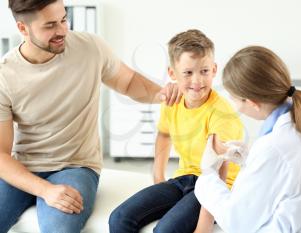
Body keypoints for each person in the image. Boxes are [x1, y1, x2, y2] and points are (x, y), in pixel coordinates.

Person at [0, 0, 181, 232]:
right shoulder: (5, 76)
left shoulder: (89, 47)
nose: (62, 30)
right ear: (23, 29)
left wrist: (163, 94)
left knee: (60, 229)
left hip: (76, 165)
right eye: (50, 25)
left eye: (64, 19)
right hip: (24, 166)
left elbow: (128, 82)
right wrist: (45, 190)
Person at [194, 46, 301, 233]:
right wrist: (247, 158)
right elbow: (291, 178)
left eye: (235, 100)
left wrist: (208, 175)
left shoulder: (273, 147)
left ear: (252, 103)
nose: (236, 107)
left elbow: (237, 222)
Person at [108, 29, 243, 233]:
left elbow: (218, 171)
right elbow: (164, 134)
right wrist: (158, 175)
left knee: (165, 231)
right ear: (173, 74)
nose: (197, 81)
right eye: (188, 73)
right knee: (119, 219)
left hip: (214, 186)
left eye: (204, 71)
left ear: (214, 70)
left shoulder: (221, 114)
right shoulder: (173, 100)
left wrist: (205, 224)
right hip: (183, 179)